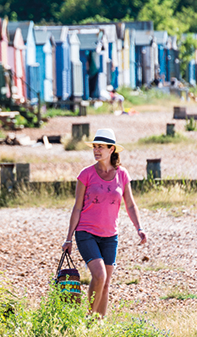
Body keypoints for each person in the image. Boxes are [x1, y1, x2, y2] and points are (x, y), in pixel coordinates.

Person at [61, 128, 146, 317]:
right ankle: (89, 320)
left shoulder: (122, 175)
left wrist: (139, 228)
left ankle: (100, 324)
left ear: (111, 149)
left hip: (110, 236)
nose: (96, 150)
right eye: (95, 147)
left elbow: (130, 205)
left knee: (106, 283)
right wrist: (68, 238)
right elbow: (76, 208)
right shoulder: (86, 174)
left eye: (101, 147)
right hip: (86, 233)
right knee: (99, 275)